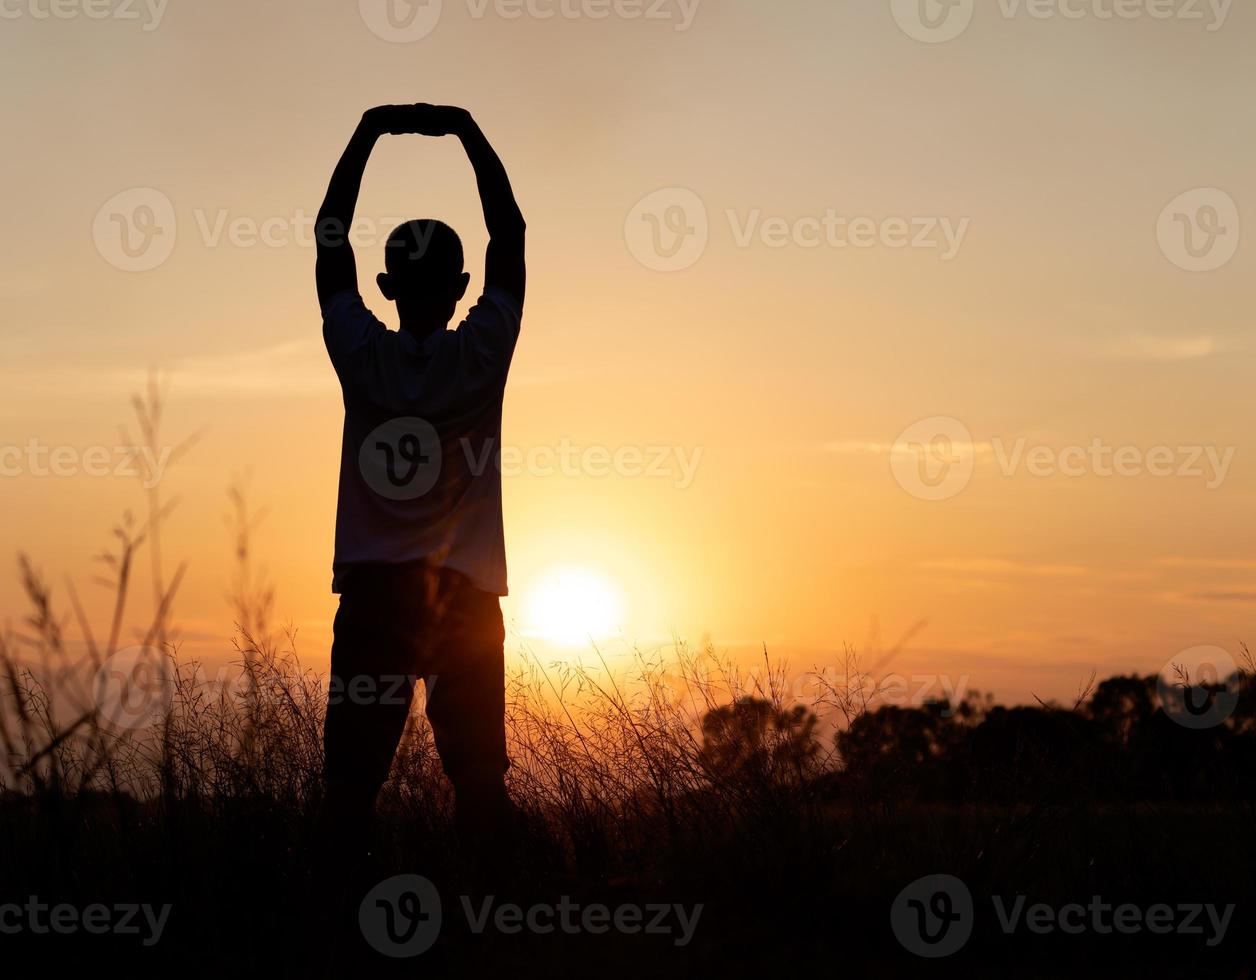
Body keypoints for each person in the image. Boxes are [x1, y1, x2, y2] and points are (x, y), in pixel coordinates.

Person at [313, 103, 526, 877]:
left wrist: (366, 132)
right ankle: (493, 924)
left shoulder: (361, 353)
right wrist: (469, 132)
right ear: (462, 283)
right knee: (478, 780)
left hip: (373, 600)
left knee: (350, 788)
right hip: (464, 600)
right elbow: (511, 236)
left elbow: (328, 239)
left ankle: (338, 924)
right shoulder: (482, 355)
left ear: (386, 283)